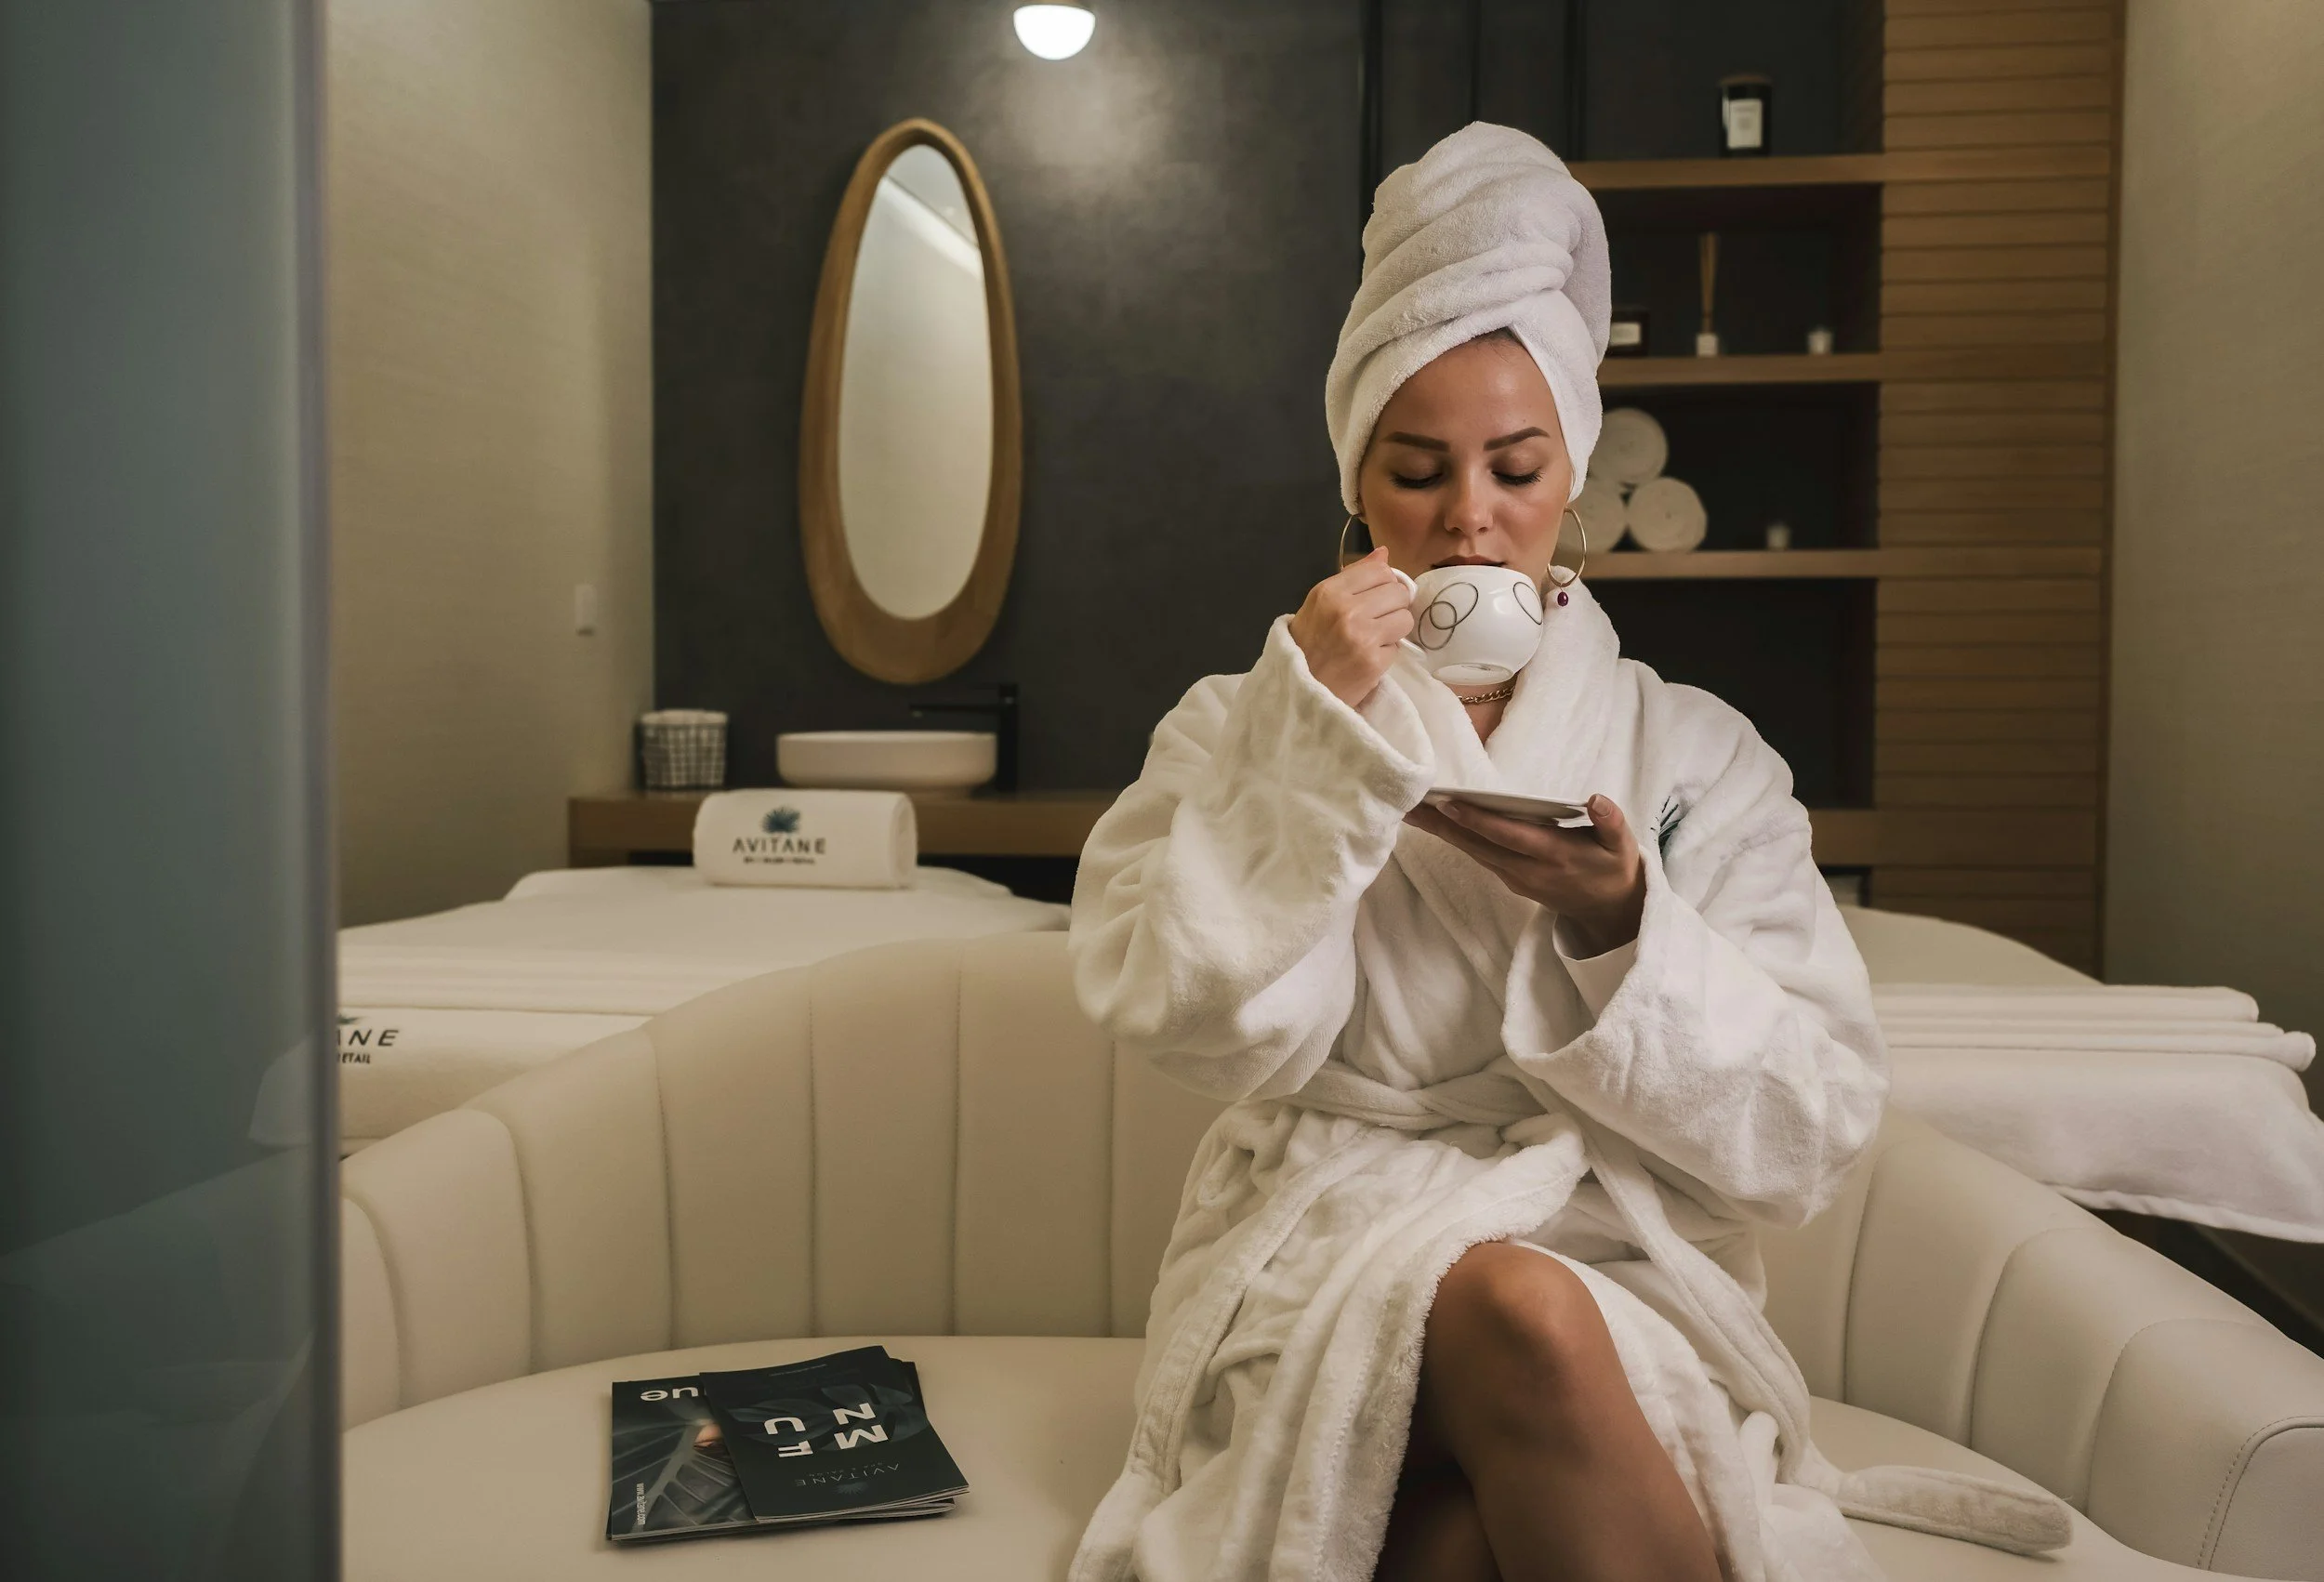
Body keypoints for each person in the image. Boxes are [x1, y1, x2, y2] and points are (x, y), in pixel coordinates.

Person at [1064, 125, 2070, 1582]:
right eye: (1416, 473)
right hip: (1325, 1249)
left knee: (1474, 1512)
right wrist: (1313, 742)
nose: (1469, 516)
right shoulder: (1246, 721)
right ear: (1356, 496)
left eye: (1514, 468)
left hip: (1610, 1256)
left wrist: (1621, 932)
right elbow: (1192, 1023)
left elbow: (1813, 1129)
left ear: (1572, 488)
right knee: (1507, 1320)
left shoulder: (1698, 754)